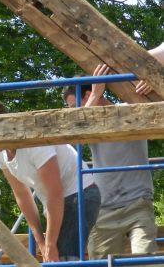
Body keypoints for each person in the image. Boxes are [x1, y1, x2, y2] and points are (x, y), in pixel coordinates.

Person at [0, 98, 101, 262]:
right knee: (55, 258)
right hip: (55, 202)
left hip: (80, 194)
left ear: (5, 124)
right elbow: (22, 195)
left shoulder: (33, 142)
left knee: (64, 259)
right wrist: (41, 241)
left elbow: (55, 192)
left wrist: (50, 243)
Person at [62, 64, 158, 258]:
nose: (73, 112)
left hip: (137, 203)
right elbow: (75, 134)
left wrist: (152, 84)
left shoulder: (129, 110)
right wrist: (95, 96)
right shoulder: (87, 124)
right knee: (98, 261)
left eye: (74, 107)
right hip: (104, 209)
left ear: (87, 96)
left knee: (145, 260)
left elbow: (154, 106)